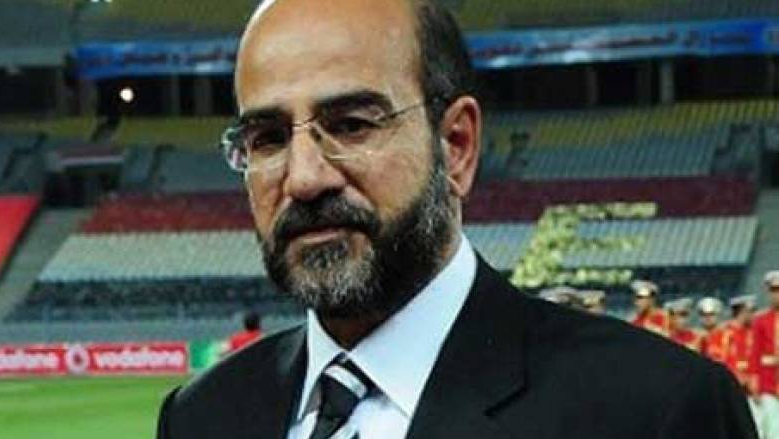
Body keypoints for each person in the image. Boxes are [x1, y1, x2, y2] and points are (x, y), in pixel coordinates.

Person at [156, 1, 756, 438]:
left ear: (457, 146)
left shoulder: (654, 410)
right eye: (267, 138)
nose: (305, 178)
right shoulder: (201, 417)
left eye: (351, 125)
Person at [751, 271, 779, 438]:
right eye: (774, 290)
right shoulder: (761, 320)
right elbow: (755, 352)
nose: (777, 295)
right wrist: (755, 381)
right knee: (772, 429)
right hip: (769, 382)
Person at [698, 296, 732, 364]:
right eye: (704, 315)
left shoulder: (728, 336)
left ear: (718, 315)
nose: (707, 318)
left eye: (711, 314)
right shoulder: (697, 337)